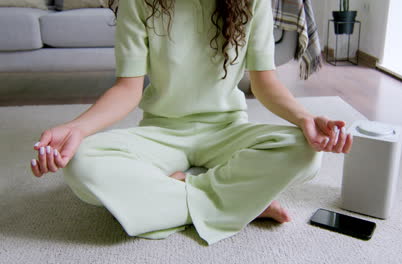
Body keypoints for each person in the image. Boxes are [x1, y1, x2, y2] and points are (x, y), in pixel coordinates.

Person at [30, 0, 353, 245]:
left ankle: (185, 188)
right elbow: (127, 89)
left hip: (228, 130)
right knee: (82, 164)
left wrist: (306, 118)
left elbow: (265, 83)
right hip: (161, 132)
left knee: (307, 153)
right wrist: (77, 129)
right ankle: (240, 202)